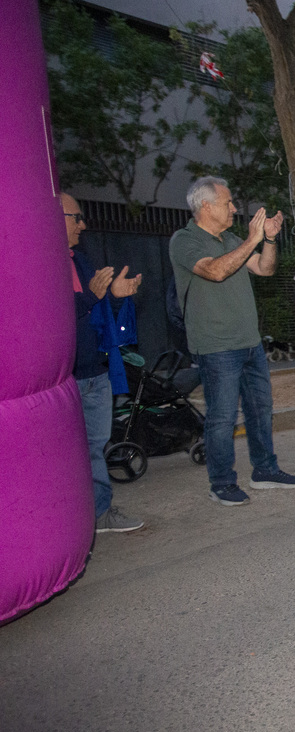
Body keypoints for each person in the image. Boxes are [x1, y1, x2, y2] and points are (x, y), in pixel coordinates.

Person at [168, 176, 295, 506]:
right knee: (222, 417)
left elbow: (265, 268)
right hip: (216, 346)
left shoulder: (231, 238)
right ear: (206, 206)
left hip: (250, 343)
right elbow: (215, 271)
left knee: (260, 411)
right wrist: (251, 239)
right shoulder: (185, 240)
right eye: (228, 202)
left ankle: (265, 470)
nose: (233, 208)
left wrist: (268, 240)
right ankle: (221, 482)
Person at [62, 193, 146, 534]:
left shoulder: (79, 260)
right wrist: (92, 297)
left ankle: (99, 514)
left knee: (94, 449)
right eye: (75, 217)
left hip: (96, 371)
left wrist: (113, 296)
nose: (83, 224)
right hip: (66, 379)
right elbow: (47, 320)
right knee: (70, 455)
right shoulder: (36, 265)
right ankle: (75, 520)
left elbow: (95, 316)